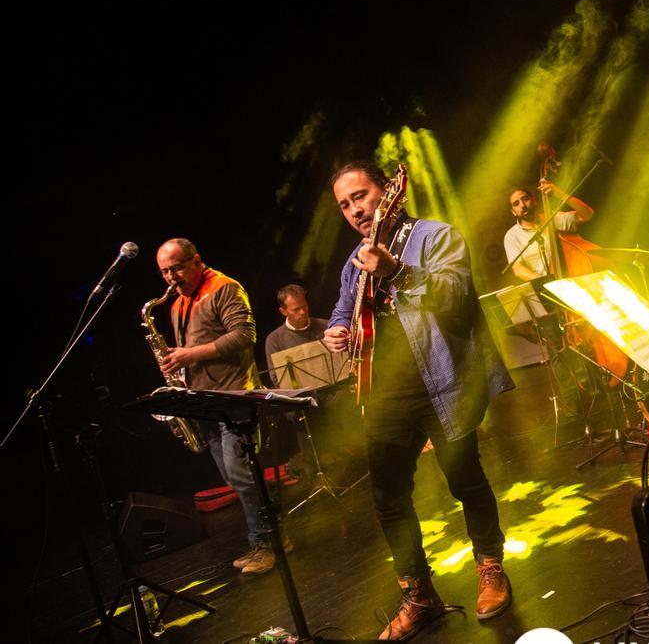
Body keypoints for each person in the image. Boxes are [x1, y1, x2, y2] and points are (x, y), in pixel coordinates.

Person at [322, 161, 515, 640]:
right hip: (384, 393)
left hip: (443, 382)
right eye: (344, 205)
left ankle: (490, 567)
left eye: (360, 196)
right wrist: (336, 328)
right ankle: (418, 594)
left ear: (388, 192)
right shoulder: (354, 260)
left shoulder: (434, 236)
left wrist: (396, 270)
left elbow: (454, 295)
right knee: (388, 497)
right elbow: (343, 307)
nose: (354, 210)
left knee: (465, 480)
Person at [155, 238, 290, 575]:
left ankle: (266, 544)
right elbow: (194, 349)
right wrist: (177, 364)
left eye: (176, 268)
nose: (171, 277)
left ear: (197, 260)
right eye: (164, 272)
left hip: (234, 398)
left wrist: (188, 354)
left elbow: (243, 336)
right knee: (235, 476)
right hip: (206, 402)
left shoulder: (224, 287)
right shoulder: (176, 304)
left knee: (243, 475)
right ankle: (272, 537)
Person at [504, 179, 594, 282]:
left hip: (573, 279)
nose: (523, 205)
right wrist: (546, 282)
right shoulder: (512, 236)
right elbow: (518, 269)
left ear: (534, 201)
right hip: (544, 287)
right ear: (513, 212)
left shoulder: (553, 218)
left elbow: (587, 214)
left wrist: (559, 194)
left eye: (525, 199)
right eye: (516, 204)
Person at [263, 284, 329, 387]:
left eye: (304, 306)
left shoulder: (327, 326)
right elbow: (277, 379)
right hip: (301, 396)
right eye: (296, 310)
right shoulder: (274, 339)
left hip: (332, 393)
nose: (302, 312)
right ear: (283, 311)